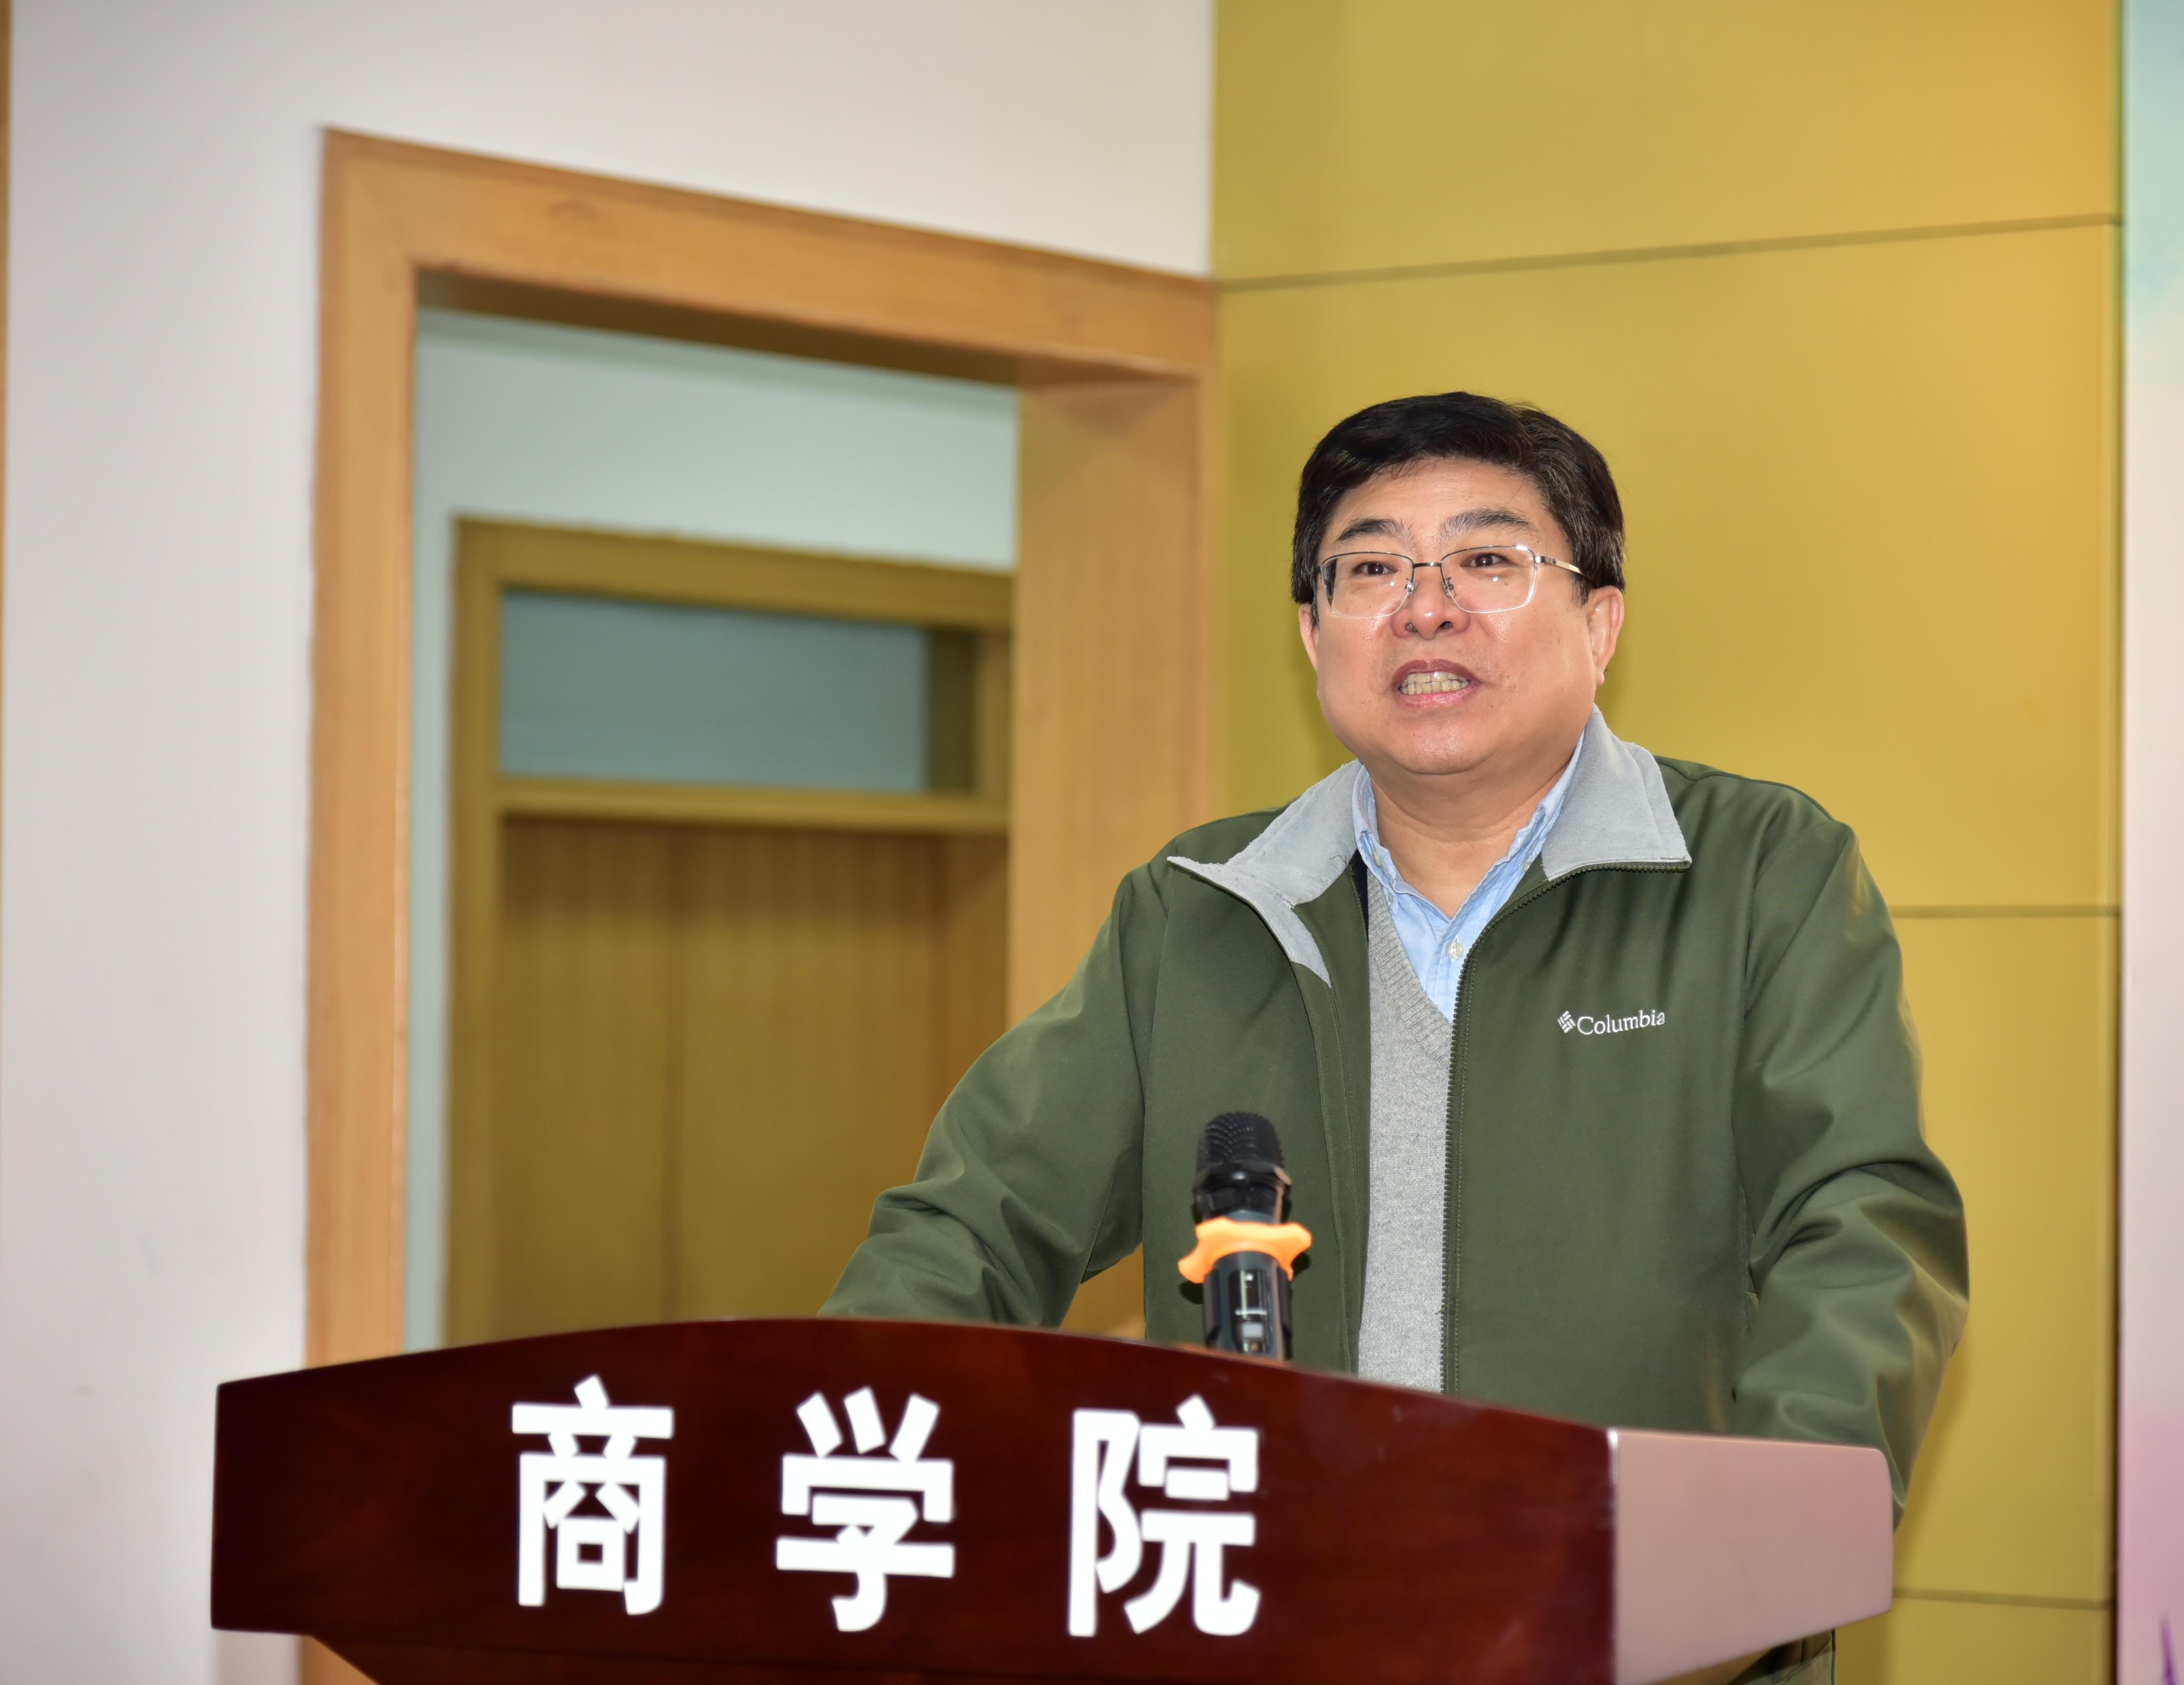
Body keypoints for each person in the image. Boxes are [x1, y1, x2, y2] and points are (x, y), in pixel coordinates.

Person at [826, 392, 1967, 1685]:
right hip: (1272, 1644)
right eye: (1370, 569)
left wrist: (1760, 1544)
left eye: (1487, 558)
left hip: (1642, 1643)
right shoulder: (1199, 912)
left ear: (1601, 623)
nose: (1426, 609)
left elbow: (1862, 1227)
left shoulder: (1758, 874)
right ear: (1313, 632)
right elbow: (974, 1228)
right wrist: (823, 1451)